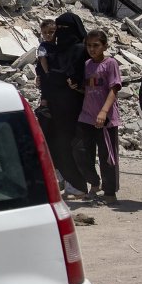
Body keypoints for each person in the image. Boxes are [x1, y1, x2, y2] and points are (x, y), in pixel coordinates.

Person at [37, 12, 89, 197]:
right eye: (59, 29)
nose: (61, 33)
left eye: (65, 29)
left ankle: (81, 184)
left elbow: (77, 75)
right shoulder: (56, 49)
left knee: (72, 146)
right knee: (55, 144)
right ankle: (68, 182)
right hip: (56, 106)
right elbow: (45, 73)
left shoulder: (82, 50)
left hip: (75, 108)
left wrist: (56, 77)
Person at [70, 30, 122, 203]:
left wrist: (103, 112)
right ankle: (94, 182)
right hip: (87, 116)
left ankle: (109, 193)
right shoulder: (87, 65)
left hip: (105, 118)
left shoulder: (110, 63)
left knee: (107, 156)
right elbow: (89, 89)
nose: (92, 49)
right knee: (79, 150)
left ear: (104, 46)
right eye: (89, 45)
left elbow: (114, 89)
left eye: (96, 45)